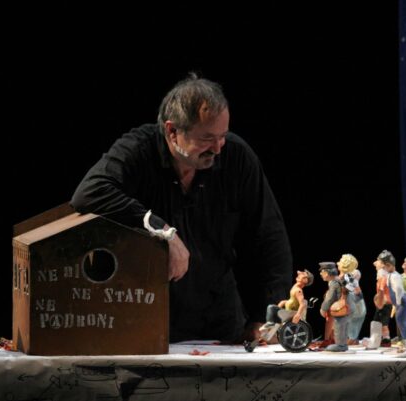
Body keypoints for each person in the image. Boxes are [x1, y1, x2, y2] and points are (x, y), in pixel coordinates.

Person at [70, 72, 293, 343]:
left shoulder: (237, 156)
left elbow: (269, 238)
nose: (218, 148)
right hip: (149, 317)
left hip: (220, 321)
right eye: (207, 138)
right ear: (172, 131)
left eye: (223, 135)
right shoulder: (138, 150)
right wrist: (162, 230)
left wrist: (268, 318)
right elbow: (88, 193)